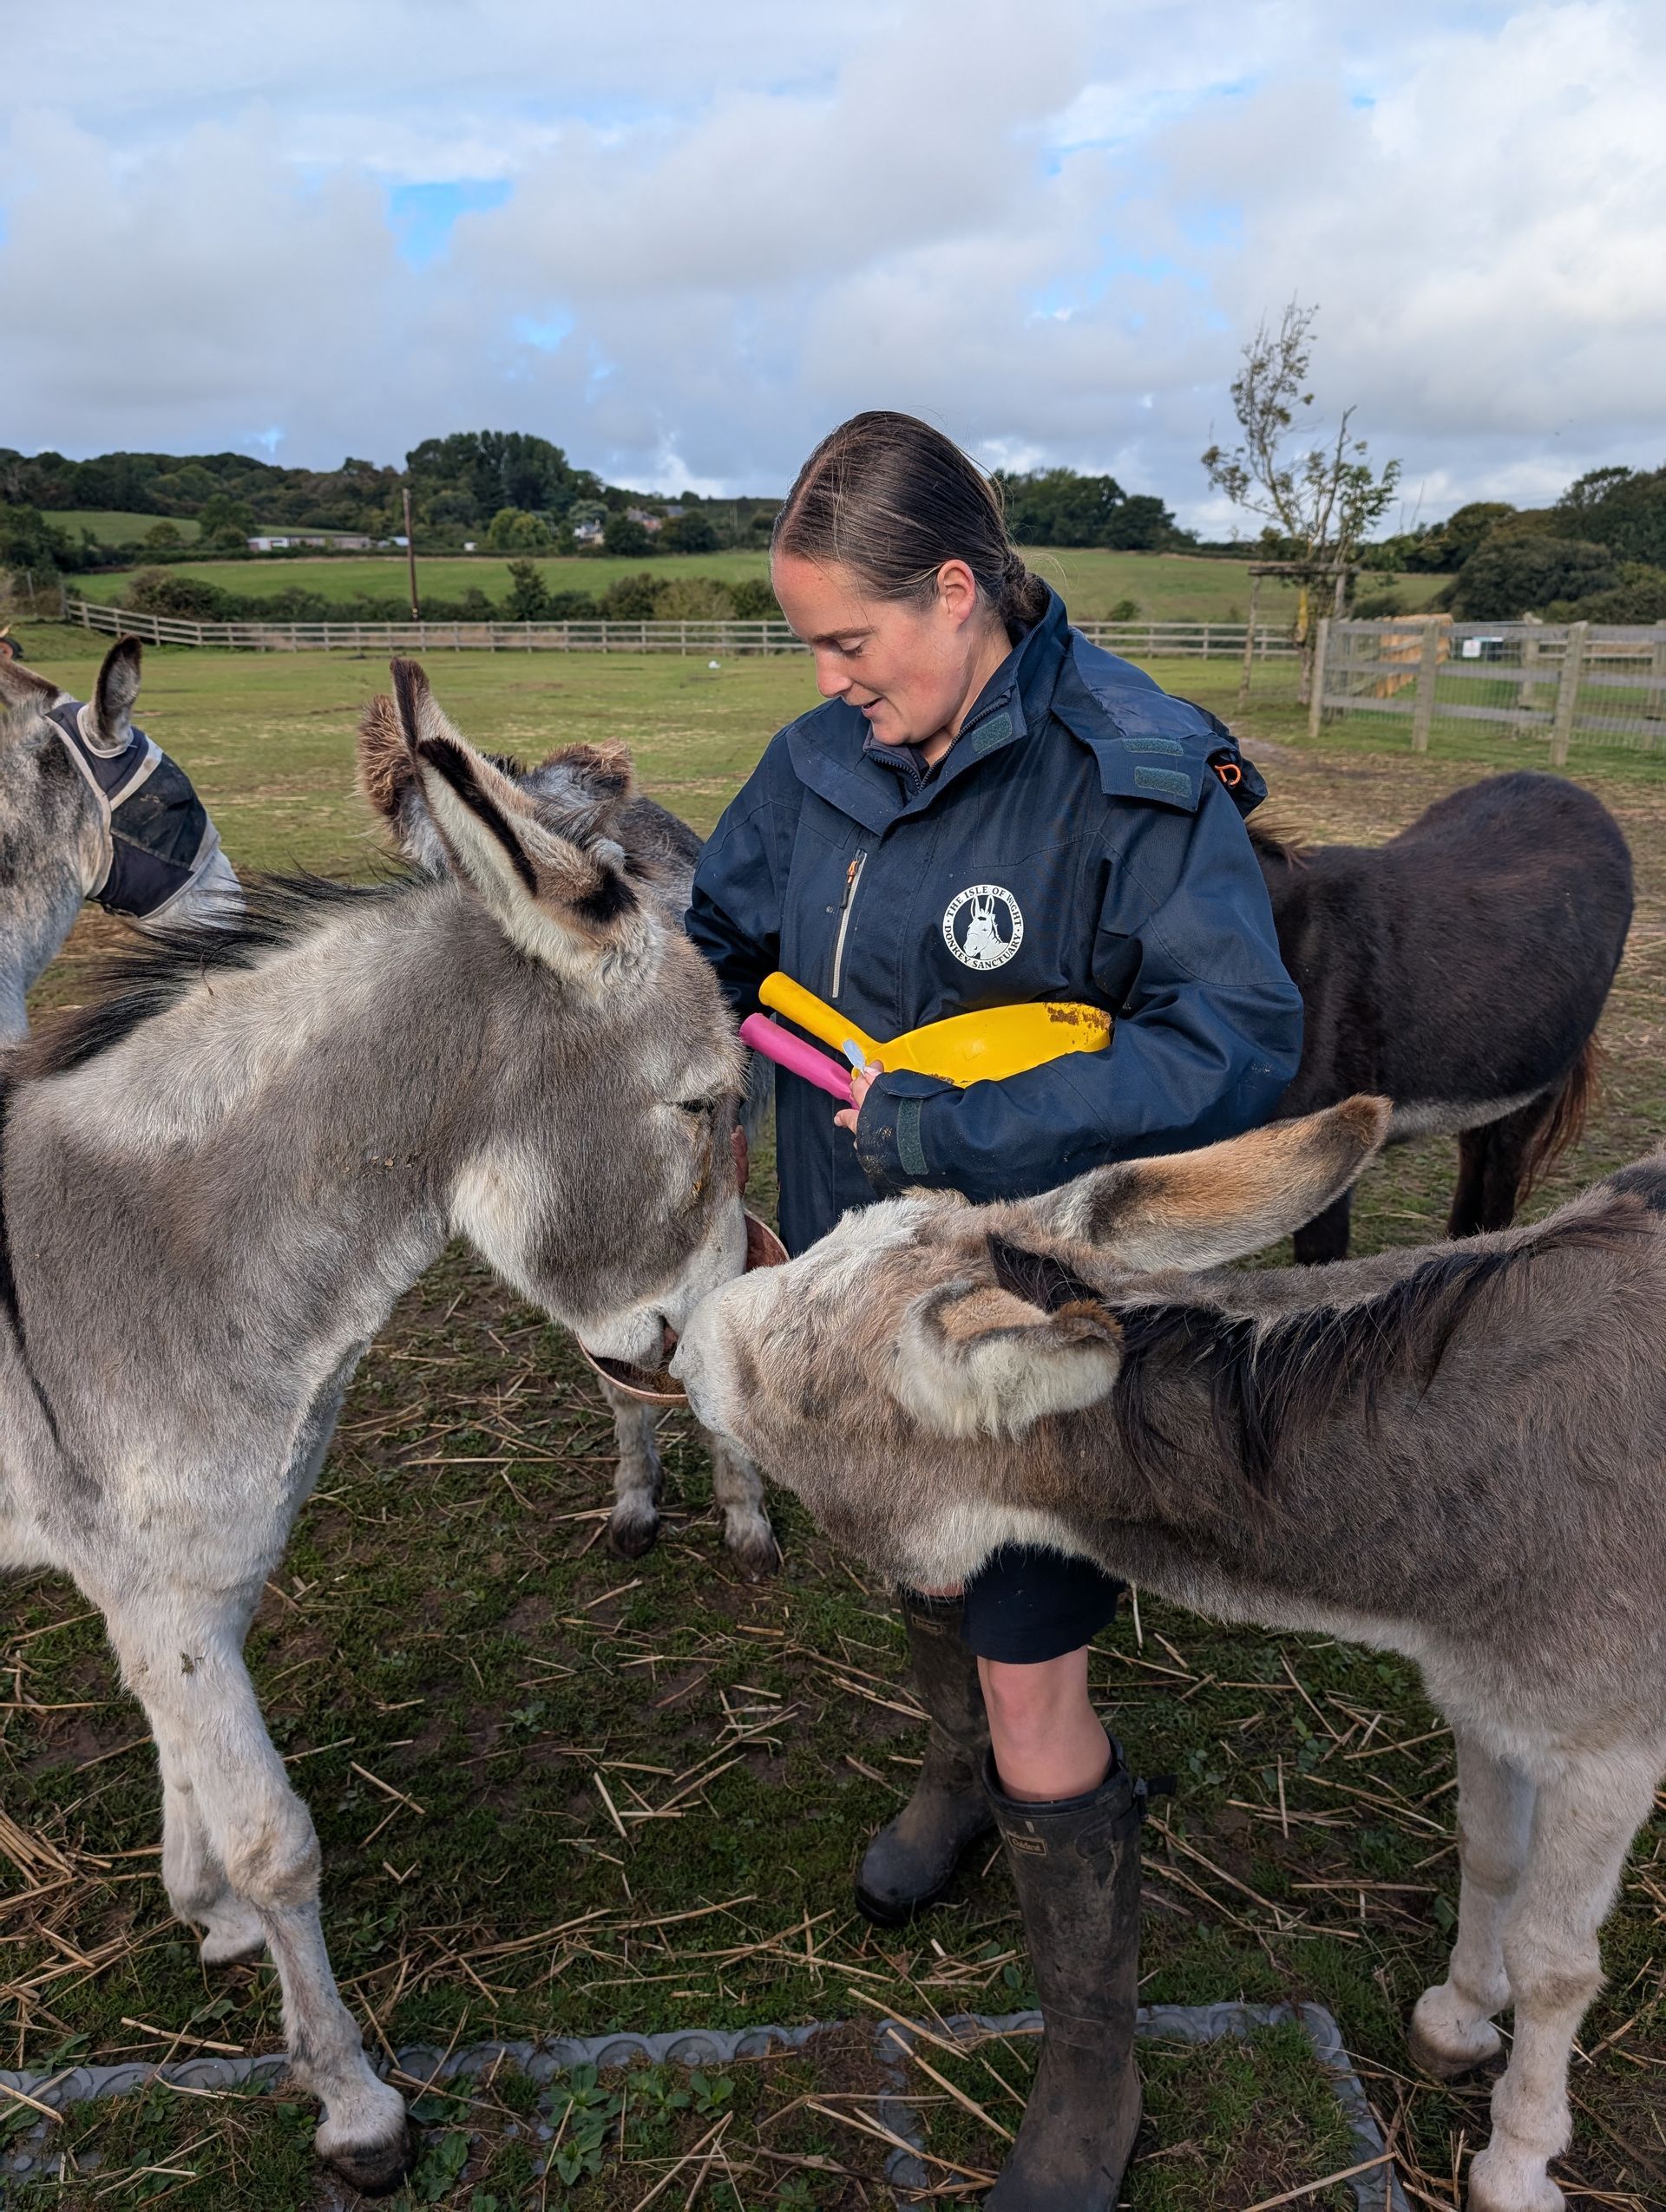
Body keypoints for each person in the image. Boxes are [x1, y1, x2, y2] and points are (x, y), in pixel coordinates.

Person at [685, 411, 1303, 2209]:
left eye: (851, 641)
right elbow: (720, 944)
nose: (830, 679)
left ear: (957, 593)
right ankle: (952, 1783)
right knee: (914, 1565)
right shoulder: (819, 763)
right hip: (840, 1293)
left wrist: (966, 1130)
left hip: (1018, 1341)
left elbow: (1233, 1047)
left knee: (1040, 1670)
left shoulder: (1134, 776)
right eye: (813, 647)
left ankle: (1088, 2071)